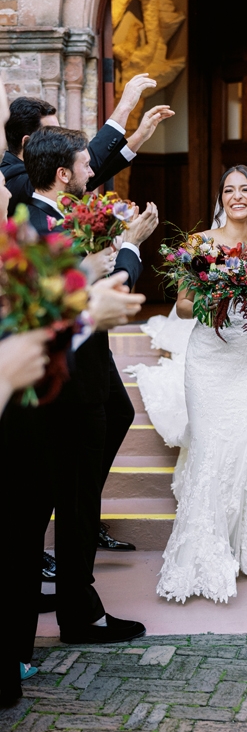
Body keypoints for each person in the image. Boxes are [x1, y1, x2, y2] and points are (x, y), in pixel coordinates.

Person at [2, 126, 155, 646]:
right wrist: (131, 247)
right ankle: (79, 613)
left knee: (91, 467)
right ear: (64, 173)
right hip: (68, 391)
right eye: (86, 165)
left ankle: (71, 600)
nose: (95, 172)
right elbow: (111, 293)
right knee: (78, 503)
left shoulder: (55, 215)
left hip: (87, 377)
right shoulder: (43, 229)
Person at [134, 164, 247, 604]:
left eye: (245, 190)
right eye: (229, 190)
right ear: (220, 198)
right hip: (209, 362)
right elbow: (184, 306)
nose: (237, 197)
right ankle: (206, 554)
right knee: (211, 456)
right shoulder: (200, 244)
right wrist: (216, 290)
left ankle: (241, 546)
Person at [1, 73, 174, 216]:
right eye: (51, 133)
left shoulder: (35, 173)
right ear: (27, 142)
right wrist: (124, 107)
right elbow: (78, 171)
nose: (59, 138)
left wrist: (139, 137)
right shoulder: (12, 179)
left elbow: (84, 176)